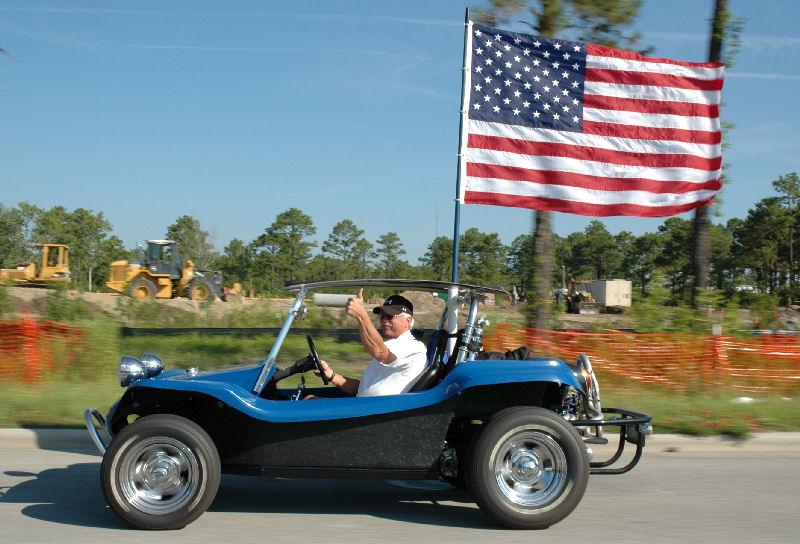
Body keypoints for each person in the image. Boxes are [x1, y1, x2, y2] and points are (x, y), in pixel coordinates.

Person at [314, 290, 427, 397]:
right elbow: (364, 390)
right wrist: (331, 375)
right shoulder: (392, 345)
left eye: (390, 316)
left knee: (308, 400)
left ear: (408, 320)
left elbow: (380, 353)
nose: (383, 320)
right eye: (381, 316)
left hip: (382, 413)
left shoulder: (414, 347)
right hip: (367, 408)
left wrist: (361, 315)